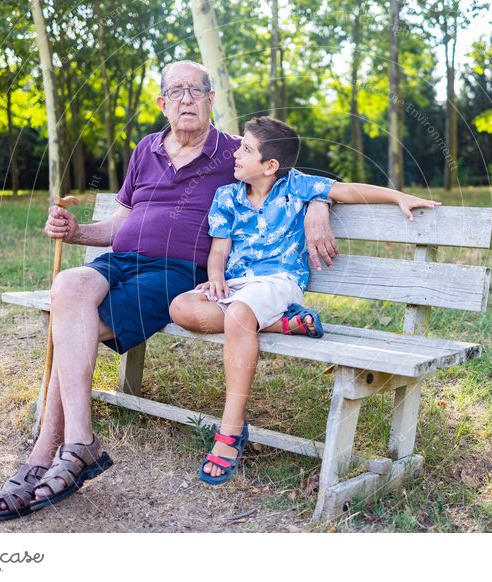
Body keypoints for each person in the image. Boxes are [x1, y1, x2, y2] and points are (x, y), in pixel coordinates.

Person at [0, 62, 339, 521]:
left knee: (73, 328)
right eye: (176, 91)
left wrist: (319, 205)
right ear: (162, 103)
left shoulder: (232, 153)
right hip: (121, 261)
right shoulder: (146, 148)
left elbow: (285, 171)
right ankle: (78, 444)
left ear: (211, 100)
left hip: (175, 273)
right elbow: (119, 224)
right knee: (68, 284)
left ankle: (45, 452)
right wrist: (76, 231)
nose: (187, 99)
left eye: (196, 90)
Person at [169, 116, 441, 484]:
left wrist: (396, 195)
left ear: (270, 166)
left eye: (246, 148)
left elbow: (348, 191)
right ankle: (279, 323)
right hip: (238, 284)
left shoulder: (297, 187)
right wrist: (215, 278)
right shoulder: (227, 196)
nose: (236, 152)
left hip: (279, 281)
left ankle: (230, 430)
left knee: (238, 319)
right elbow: (219, 251)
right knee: (181, 307)